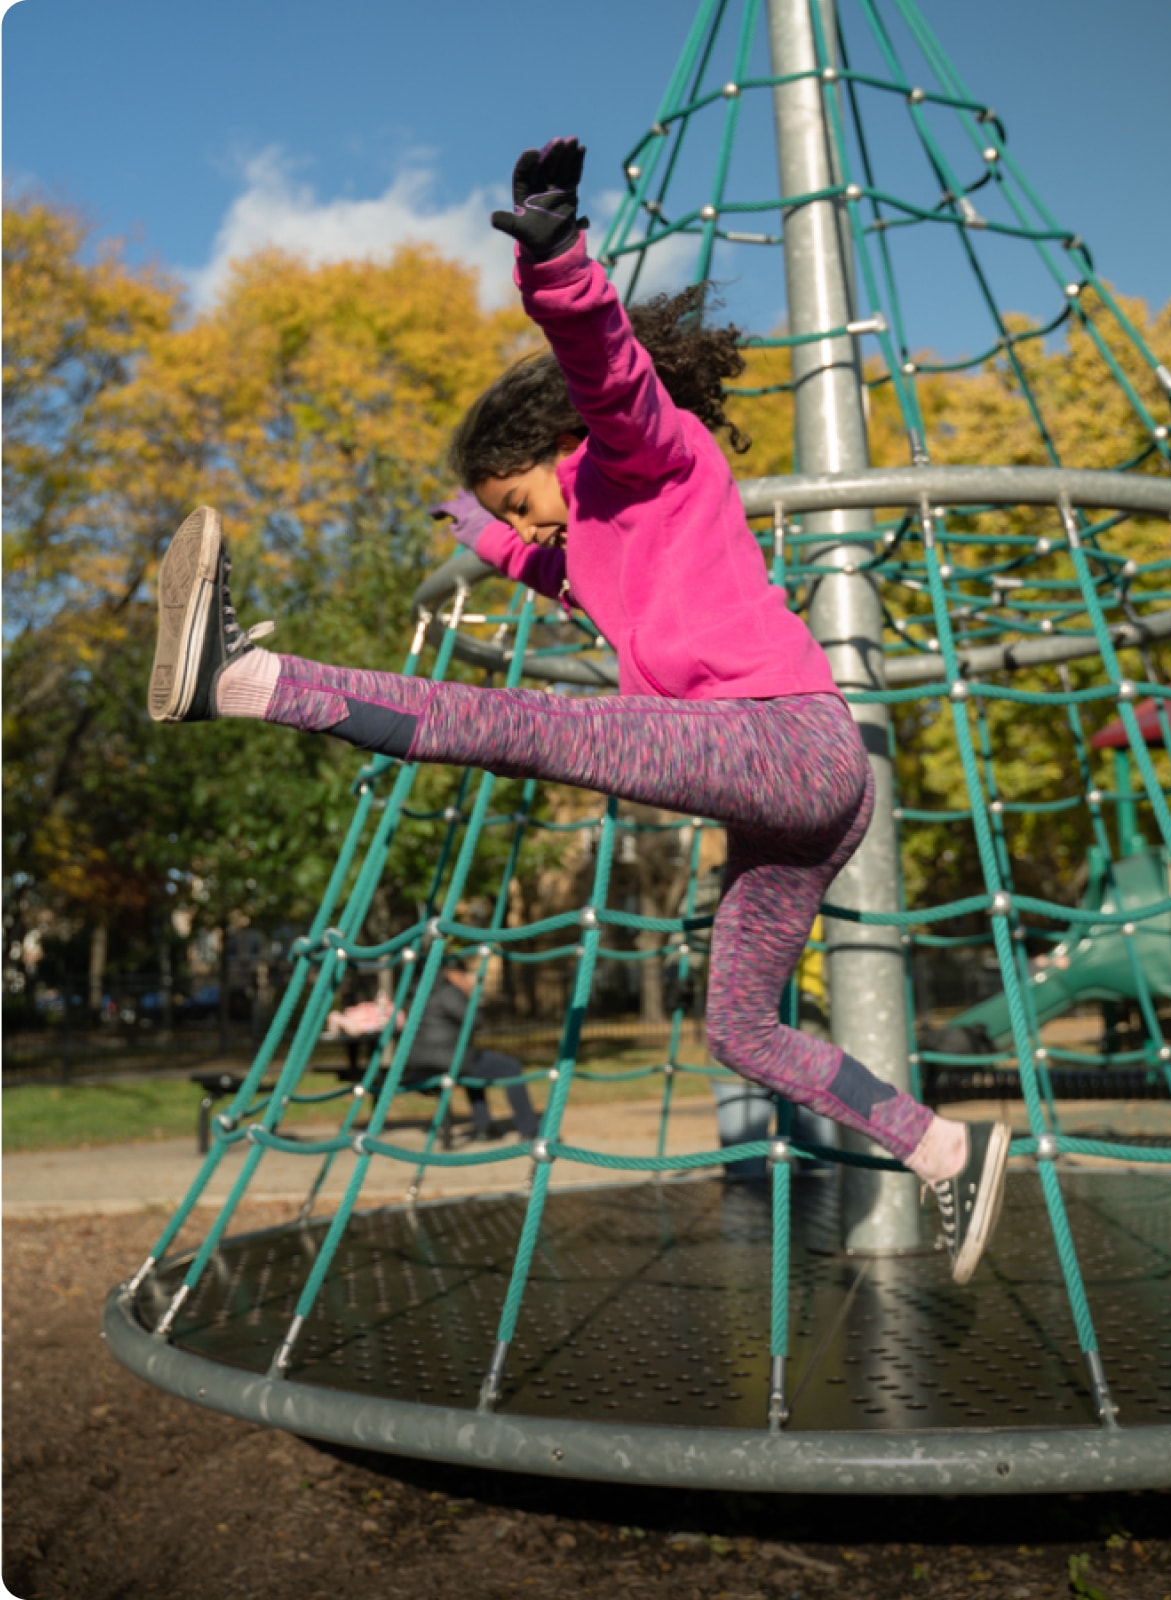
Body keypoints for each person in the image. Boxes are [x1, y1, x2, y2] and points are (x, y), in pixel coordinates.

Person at [147, 137, 1008, 1285]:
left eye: (523, 498)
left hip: (779, 740)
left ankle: (243, 678)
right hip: (798, 796)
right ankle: (946, 1146)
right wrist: (489, 531)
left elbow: (608, 371)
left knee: (522, 725)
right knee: (741, 1029)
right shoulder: (593, 537)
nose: (537, 527)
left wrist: (557, 262)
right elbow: (569, 571)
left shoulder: (649, 455)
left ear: (555, 447)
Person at [404, 959, 540, 1141]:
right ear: (452, 973)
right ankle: (529, 1128)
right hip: (449, 1058)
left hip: (417, 1060)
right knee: (511, 1067)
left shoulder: (415, 992)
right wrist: (467, 994)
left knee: (474, 1069)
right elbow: (475, 1020)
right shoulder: (447, 991)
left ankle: (483, 1126)